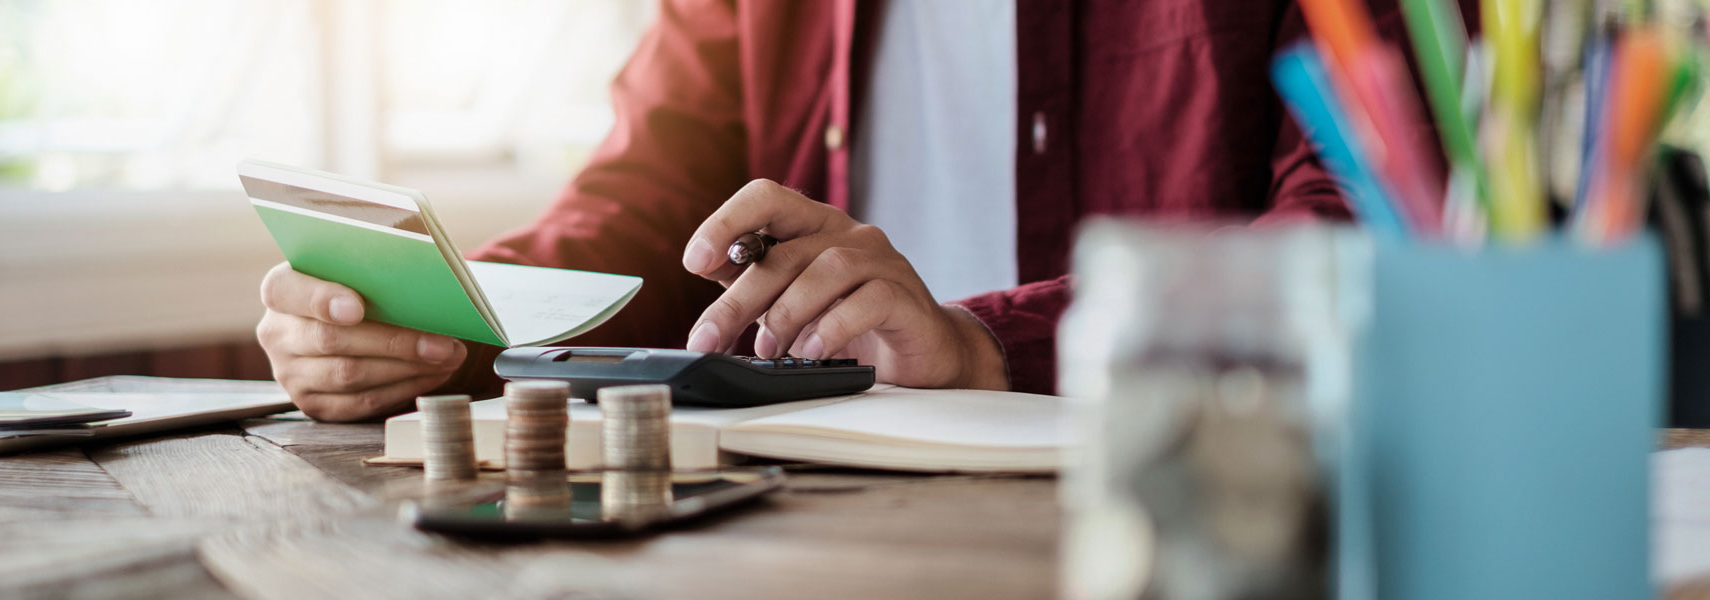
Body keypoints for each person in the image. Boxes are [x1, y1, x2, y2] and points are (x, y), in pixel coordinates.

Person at [257, 0, 1430, 422]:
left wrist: (984, 345)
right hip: (815, 506)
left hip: (1188, 505)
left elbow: (1364, 229)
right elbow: (639, 206)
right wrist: (433, 324)